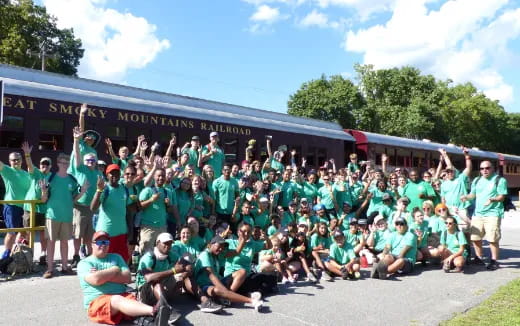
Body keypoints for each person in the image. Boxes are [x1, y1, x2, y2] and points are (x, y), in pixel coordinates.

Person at [77, 231, 174, 326]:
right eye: (99, 242)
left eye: (106, 242)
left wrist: (102, 275)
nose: (103, 245)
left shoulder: (116, 257)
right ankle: (155, 310)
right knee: (116, 299)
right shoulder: (85, 263)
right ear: (92, 245)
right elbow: (95, 280)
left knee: (138, 314)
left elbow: (127, 278)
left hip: (123, 297)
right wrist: (115, 270)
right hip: (97, 302)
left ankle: (157, 321)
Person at [136, 232, 222, 317]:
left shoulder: (170, 254)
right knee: (157, 283)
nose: (168, 246)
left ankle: (205, 301)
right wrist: (174, 270)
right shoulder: (148, 257)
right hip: (146, 293)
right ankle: (167, 311)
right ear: (157, 243)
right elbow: (149, 278)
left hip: (163, 290)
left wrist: (186, 270)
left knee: (186, 276)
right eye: (165, 243)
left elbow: (186, 263)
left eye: (170, 243)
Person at [43, 153, 89, 279]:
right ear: (57, 163)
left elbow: (74, 199)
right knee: (51, 242)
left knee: (64, 242)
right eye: (62, 163)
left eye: (67, 163)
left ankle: (64, 267)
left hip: (67, 216)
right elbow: (43, 199)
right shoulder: (50, 178)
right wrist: (43, 192)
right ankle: (50, 269)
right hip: (52, 215)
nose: (65, 165)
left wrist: (83, 191)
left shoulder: (72, 180)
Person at [193, 235, 264, 312]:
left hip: (217, 282)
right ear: (210, 245)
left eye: (222, 247)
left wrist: (243, 240)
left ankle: (226, 298)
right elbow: (211, 275)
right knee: (217, 290)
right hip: (204, 286)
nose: (221, 249)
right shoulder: (205, 255)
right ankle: (251, 300)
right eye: (219, 246)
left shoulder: (217, 255)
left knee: (242, 272)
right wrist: (224, 290)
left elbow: (236, 252)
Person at [462, 161, 507, 270]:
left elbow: (502, 197)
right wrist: (466, 197)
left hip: (493, 213)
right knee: (475, 237)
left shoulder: (499, 180)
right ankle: (479, 258)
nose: (484, 170)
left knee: (492, 238)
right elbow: (473, 194)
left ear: (492, 168)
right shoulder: (477, 180)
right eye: (482, 168)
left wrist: (493, 199)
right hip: (478, 213)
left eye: (487, 168)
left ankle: (494, 260)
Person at [71, 126, 103, 267]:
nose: (90, 162)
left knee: (90, 235)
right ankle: (76, 256)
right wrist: (76, 140)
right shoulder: (80, 168)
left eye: (92, 160)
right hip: (80, 206)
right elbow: (77, 153)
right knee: (78, 234)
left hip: (94, 209)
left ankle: (91, 257)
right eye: (88, 160)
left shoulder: (98, 173)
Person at [90, 164, 131, 262]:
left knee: (122, 260)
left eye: (116, 173)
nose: (114, 176)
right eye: (111, 174)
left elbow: (128, 209)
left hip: (122, 232)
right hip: (106, 233)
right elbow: (93, 207)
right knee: (104, 261)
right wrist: (99, 190)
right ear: (107, 175)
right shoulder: (105, 189)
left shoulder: (124, 189)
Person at [21, 142, 50, 265]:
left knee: (44, 233)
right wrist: (27, 155)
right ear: (40, 165)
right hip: (29, 208)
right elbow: (30, 166)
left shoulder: (52, 177)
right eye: (43, 163)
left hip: (44, 209)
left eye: (47, 164)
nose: (44, 165)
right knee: (28, 232)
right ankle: (28, 255)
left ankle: (43, 254)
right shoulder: (36, 173)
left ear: (50, 166)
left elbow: (47, 196)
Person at [139, 168, 180, 253]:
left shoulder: (167, 192)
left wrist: (168, 205)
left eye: (163, 176)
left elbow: (169, 210)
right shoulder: (148, 190)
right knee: (146, 253)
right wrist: (151, 200)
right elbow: (139, 206)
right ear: (154, 176)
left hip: (162, 226)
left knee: (161, 252)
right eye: (159, 176)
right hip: (148, 227)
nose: (161, 178)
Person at [0, 151, 30, 259]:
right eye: (13, 160)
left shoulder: (27, 174)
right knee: (11, 232)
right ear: (9, 161)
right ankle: (6, 255)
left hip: (25, 207)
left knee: (24, 232)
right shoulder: (7, 171)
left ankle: (15, 251)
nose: (16, 161)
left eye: (18, 159)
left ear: (22, 160)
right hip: (11, 206)